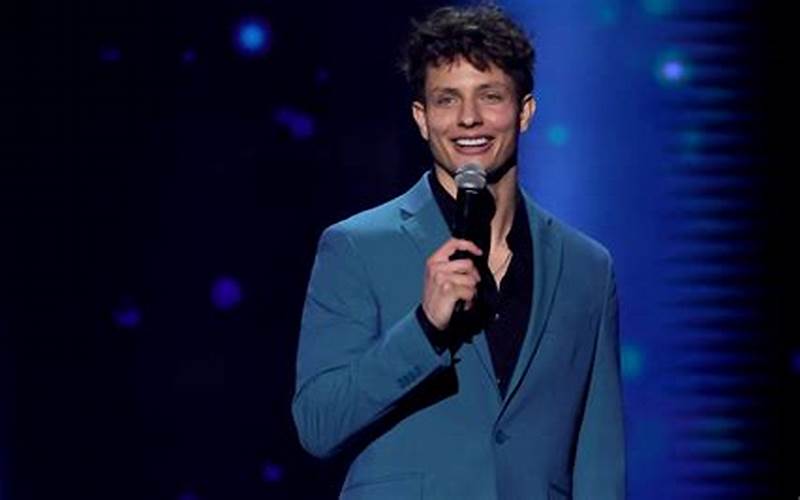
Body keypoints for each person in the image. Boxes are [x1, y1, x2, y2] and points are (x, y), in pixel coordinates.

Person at [292, 5, 625, 499]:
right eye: (447, 100)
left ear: (524, 111)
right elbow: (318, 424)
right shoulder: (356, 246)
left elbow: (600, 455)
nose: (469, 118)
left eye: (489, 96)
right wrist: (424, 329)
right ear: (422, 119)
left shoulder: (586, 268)